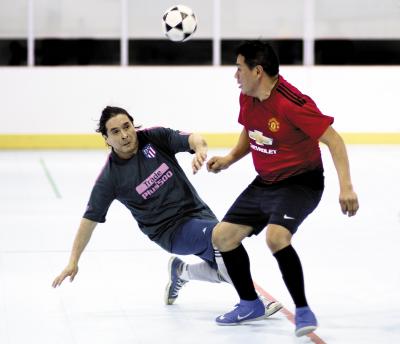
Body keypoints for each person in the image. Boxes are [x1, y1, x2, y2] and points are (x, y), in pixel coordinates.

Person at [51, 105, 282, 319]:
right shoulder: (110, 178)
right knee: (225, 240)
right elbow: (89, 220)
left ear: (133, 125)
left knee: (224, 268)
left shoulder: (154, 138)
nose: (124, 135)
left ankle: (181, 272)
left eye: (126, 127)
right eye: (115, 131)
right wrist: (73, 261)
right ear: (106, 138)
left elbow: (192, 139)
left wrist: (200, 149)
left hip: (199, 212)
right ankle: (253, 301)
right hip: (170, 232)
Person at [207, 41, 359, 336]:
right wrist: (228, 160)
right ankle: (250, 303)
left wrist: (347, 188)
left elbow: (334, 140)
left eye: (239, 68)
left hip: (301, 182)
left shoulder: (293, 103)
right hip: (265, 182)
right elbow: (251, 132)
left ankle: (302, 310)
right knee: (222, 236)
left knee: (276, 237)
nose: (235, 75)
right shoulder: (248, 97)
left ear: (258, 71)